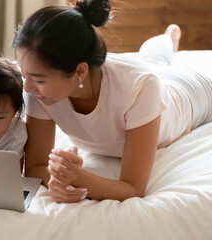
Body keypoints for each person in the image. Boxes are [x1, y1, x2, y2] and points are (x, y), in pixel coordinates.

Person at [12, 0, 212, 202]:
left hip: (189, 94)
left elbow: (133, 188)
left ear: (80, 71)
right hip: (141, 75)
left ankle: (168, 39)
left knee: (153, 71)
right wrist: (58, 181)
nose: (27, 87)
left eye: (38, 79)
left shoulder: (140, 88)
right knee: (153, 62)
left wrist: (77, 178)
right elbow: (35, 166)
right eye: (24, 74)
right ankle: (168, 39)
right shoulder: (38, 90)